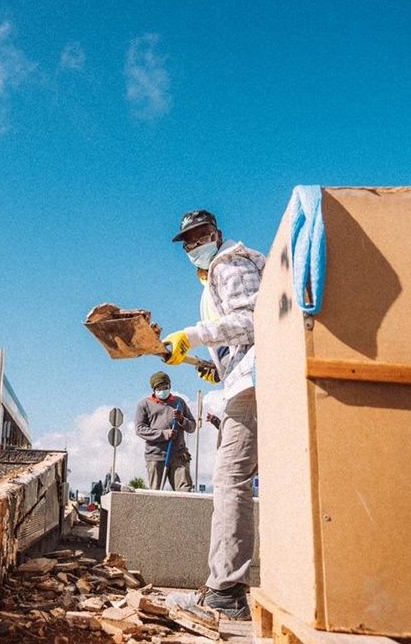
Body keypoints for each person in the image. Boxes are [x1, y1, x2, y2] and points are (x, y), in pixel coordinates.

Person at [161, 209, 265, 621]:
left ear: (216, 235)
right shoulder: (212, 278)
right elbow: (235, 335)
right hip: (245, 379)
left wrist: (192, 335)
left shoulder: (227, 263)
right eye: (187, 241)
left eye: (199, 236)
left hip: (254, 385)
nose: (192, 246)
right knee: (240, 480)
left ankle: (226, 591)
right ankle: (228, 586)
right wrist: (213, 364)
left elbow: (252, 320)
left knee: (230, 480)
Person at [134, 371, 196, 491]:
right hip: (156, 456)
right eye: (159, 388)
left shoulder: (179, 402)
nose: (163, 390)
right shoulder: (144, 405)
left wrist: (182, 420)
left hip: (179, 455)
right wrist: (164, 434)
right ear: (154, 389)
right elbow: (140, 429)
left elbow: (192, 426)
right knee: (156, 494)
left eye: (165, 387)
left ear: (170, 386)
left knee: (185, 492)